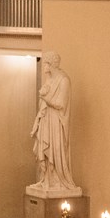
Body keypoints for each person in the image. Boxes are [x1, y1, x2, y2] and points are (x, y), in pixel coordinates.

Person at [30, 51, 78, 192]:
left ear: (51, 64)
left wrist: (45, 98)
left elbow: (61, 104)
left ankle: (58, 180)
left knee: (55, 150)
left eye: (45, 63)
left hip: (57, 122)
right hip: (47, 119)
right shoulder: (49, 80)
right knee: (44, 150)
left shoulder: (64, 81)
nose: (43, 66)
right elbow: (43, 104)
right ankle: (46, 180)